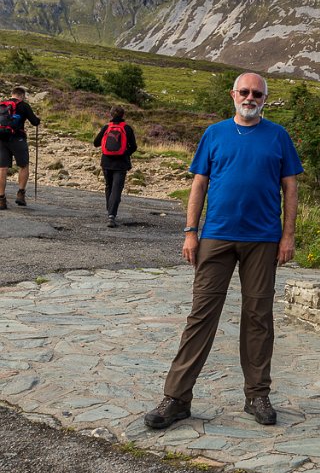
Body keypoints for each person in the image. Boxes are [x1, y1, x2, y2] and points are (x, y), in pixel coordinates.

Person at [144, 71, 303, 430]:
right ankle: (176, 398)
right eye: (244, 92)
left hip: (263, 239)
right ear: (233, 94)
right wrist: (190, 232)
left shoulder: (278, 136)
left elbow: (290, 187)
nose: (250, 98)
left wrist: (288, 236)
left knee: (259, 316)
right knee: (201, 315)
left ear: (265, 98)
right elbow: (199, 184)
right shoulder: (213, 134)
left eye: (257, 94)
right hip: (216, 235)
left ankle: (257, 395)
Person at [93, 106, 137, 228]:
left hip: (106, 162)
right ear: (123, 115)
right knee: (117, 189)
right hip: (121, 163)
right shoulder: (127, 128)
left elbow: (96, 143)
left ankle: (110, 213)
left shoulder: (106, 127)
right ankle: (112, 215)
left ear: (110, 115)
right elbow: (134, 147)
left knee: (109, 186)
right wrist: (125, 153)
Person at [0, 86, 41, 209]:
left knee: (2, 169)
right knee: (23, 166)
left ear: (12, 94)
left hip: (1, 139)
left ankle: (1, 199)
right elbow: (34, 122)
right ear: (22, 95)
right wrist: (38, 119)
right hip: (18, 139)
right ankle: (20, 194)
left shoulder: (2, 104)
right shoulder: (24, 105)